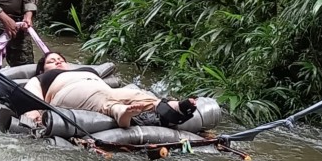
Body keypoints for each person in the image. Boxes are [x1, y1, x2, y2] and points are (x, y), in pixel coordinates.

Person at [23, 52, 197, 128]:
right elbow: (31, 90)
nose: (58, 62)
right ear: (42, 69)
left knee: (133, 94)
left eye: (60, 59)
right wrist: (34, 112)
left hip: (104, 90)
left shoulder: (87, 70)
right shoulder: (44, 78)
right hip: (69, 92)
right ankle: (121, 113)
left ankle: (173, 108)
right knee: (103, 102)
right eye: (51, 61)